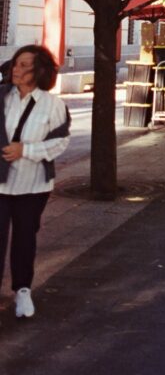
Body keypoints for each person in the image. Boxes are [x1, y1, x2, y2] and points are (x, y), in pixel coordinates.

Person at [0, 45, 71, 319]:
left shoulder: (53, 105)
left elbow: (61, 140)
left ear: (39, 70)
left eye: (24, 65)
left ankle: (22, 291)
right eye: (15, 64)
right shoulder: (2, 98)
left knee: (24, 239)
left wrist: (26, 151)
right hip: (1, 184)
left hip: (32, 186)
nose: (16, 70)